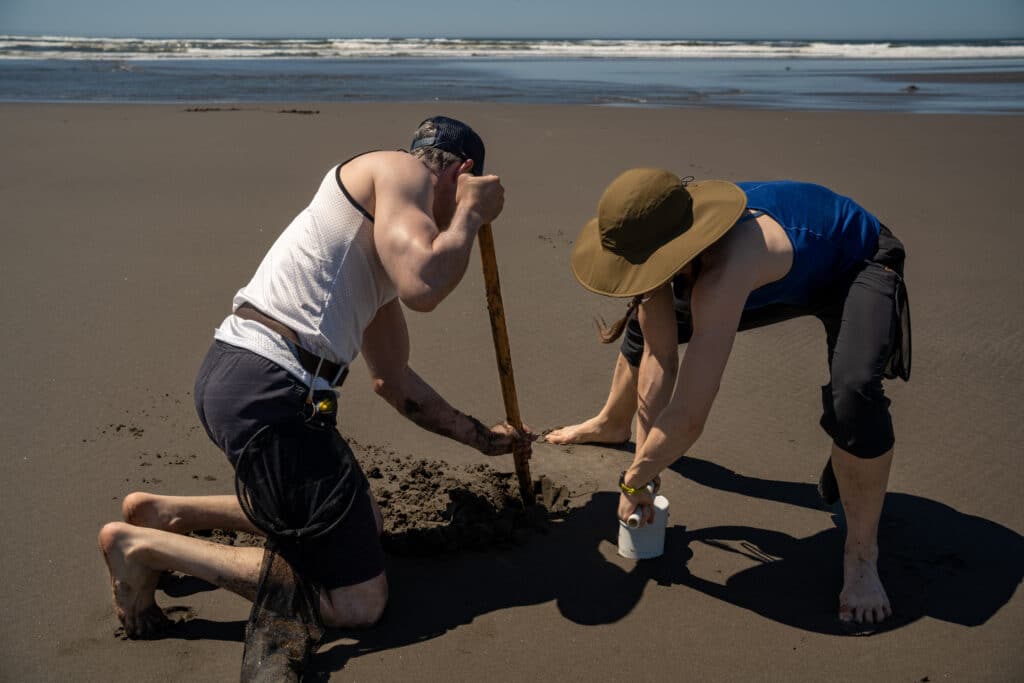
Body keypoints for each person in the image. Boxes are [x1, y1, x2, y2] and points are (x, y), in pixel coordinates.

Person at [98, 116, 533, 654]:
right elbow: (425, 284)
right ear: (462, 173)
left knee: (366, 520)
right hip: (273, 393)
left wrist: (478, 435)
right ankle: (142, 548)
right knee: (358, 601)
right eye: (457, 198)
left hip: (239, 376)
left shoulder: (368, 246)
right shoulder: (401, 170)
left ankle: (166, 513)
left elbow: (393, 382)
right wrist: (470, 213)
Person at [546, 168, 910, 626]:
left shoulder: (728, 267)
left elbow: (692, 412)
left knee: (854, 393)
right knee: (646, 318)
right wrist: (645, 460)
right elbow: (660, 359)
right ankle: (613, 422)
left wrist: (634, 482)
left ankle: (861, 557)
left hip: (855, 263)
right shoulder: (659, 234)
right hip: (782, 275)